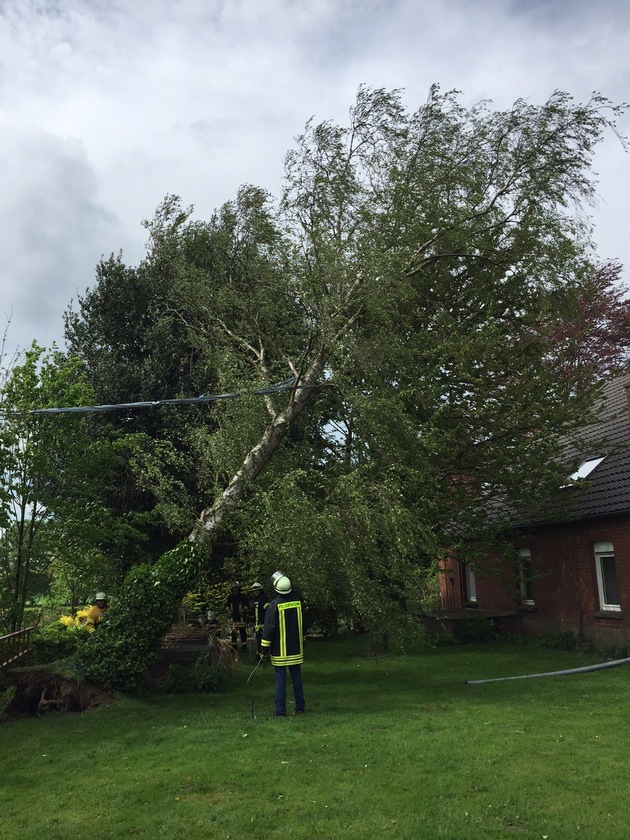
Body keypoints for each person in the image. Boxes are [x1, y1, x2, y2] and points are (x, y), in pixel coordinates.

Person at [260, 573, 305, 716]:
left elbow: (269, 629)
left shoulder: (274, 606)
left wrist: (263, 650)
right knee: (297, 678)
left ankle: (280, 711)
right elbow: (304, 624)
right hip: (296, 649)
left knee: (280, 680)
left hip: (280, 650)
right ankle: (300, 708)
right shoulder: (298, 603)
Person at [225, 581, 249, 652]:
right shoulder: (230, 597)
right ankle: (234, 647)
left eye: (236, 588)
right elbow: (227, 606)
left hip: (241, 617)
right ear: (232, 589)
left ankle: (244, 647)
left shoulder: (242, 597)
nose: (235, 589)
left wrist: (243, 609)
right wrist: (229, 610)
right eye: (234, 588)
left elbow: (247, 605)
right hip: (233, 618)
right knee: (234, 633)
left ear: (239, 589)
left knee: (242, 632)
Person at [250, 582, 269, 656]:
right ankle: (259, 653)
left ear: (260, 590)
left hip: (263, 624)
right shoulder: (255, 600)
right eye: (254, 591)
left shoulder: (263, 598)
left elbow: (268, 610)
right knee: (258, 640)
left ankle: (264, 654)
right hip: (257, 624)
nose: (256, 592)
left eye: (257, 590)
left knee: (263, 640)